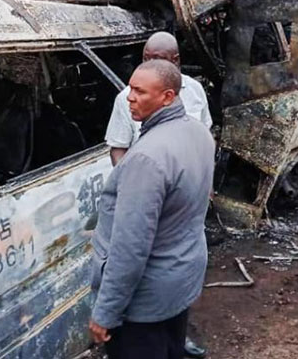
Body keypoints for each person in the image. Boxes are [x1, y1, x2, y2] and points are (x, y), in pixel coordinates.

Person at [89, 59, 215, 359]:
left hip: (144, 301)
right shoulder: (199, 133)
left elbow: (130, 248)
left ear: (168, 97)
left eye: (140, 92)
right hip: (180, 279)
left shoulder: (146, 159)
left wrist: (105, 312)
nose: (130, 97)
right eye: (130, 89)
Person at [106, 31, 212, 165]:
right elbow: (118, 150)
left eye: (157, 59)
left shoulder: (195, 90)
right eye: (145, 58)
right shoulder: (126, 98)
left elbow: (204, 137)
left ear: (175, 60)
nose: (150, 65)